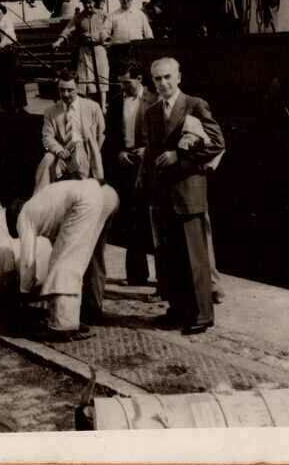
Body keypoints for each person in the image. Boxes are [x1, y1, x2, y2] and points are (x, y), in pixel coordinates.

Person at [136, 57, 224, 335]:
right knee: (171, 257)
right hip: (163, 195)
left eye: (167, 77)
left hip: (187, 192)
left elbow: (217, 144)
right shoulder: (151, 112)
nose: (162, 83)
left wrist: (180, 156)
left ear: (178, 77)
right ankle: (176, 310)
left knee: (194, 259)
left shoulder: (195, 105)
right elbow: (151, 152)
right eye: (157, 79)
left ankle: (202, 315)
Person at [5, 179, 119, 341]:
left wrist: (24, 290)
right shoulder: (40, 204)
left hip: (84, 201)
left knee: (64, 263)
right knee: (80, 260)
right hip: (102, 194)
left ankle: (62, 326)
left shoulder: (24, 217)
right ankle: (80, 315)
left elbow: (27, 260)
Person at [110, 64, 152, 289]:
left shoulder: (153, 100)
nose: (123, 87)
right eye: (121, 83)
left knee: (152, 220)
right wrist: (120, 152)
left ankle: (164, 282)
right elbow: (112, 134)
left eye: (127, 82)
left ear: (139, 79)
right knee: (131, 219)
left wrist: (148, 150)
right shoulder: (117, 101)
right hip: (126, 165)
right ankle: (136, 275)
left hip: (148, 165)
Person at [36, 69, 105, 192]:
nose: (66, 94)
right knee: (47, 160)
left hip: (85, 154)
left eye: (70, 90)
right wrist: (59, 151)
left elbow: (101, 134)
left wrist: (92, 151)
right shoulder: (51, 111)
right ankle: (41, 198)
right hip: (62, 154)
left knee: (79, 153)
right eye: (62, 90)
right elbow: (47, 137)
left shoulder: (92, 107)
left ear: (78, 88)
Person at [53, 0, 111, 105]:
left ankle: (103, 106)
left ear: (94, 2)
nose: (87, 5)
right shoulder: (79, 17)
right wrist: (58, 41)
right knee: (85, 79)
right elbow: (68, 30)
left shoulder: (103, 15)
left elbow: (109, 30)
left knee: (102, 77)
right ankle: (87, 104)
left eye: (89, 2)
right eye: (85, 3)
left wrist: (107, 40)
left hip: (99, 50)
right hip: (84, 51)